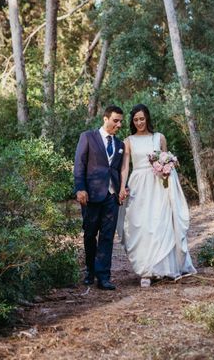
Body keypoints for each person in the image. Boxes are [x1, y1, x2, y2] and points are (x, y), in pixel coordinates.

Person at [117, 104, 196, 287]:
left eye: (142, 119)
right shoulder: (128, 141)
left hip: (158, 184)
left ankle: (164, 268)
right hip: (138, 185)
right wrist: (122, 186)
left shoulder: (159, 137)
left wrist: (167, 170)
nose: (139, 123)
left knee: (160, 223)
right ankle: (146, 271)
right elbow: (125, 167)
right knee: (142, 225)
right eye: (136, 120)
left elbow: (166, 158)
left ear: (147, 119)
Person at [74, 105, 127, 290]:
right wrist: (80, 188)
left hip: (111, 197)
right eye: (115, 120)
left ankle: (104, 276)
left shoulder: (120, 145)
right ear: (105, 119)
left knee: (107, 236)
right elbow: (79, 164)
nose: (119, 124)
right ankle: (90, 271)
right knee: (90, 234)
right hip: (91, 195)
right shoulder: (88, 137)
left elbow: (119, 170)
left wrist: (123, 188)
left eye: (121, 121)